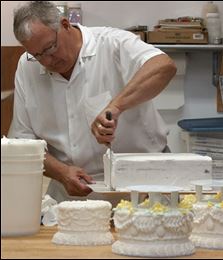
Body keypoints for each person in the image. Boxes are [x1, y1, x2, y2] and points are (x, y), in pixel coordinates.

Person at [9, 1, 177, 203]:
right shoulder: (27, 66)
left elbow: (163, 66)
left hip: (143, 187)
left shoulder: (112, 43)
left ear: (65, 24)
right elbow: (22, 144)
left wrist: (116, 106)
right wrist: (61, 172)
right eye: (37, 55)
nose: (47, 61)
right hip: (73, 196)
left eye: (50, 48)